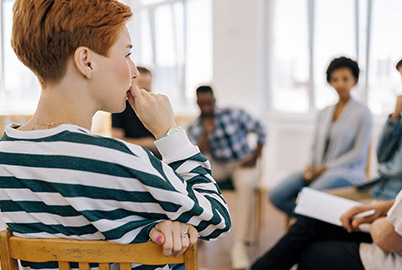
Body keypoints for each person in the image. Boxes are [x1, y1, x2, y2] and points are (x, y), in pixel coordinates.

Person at [0, 1, 231, 270]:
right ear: (87, 62)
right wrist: (169, 133)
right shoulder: (120, 159)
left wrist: (149, 228)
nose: (134, 72)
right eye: (127, 54)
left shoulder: (7, 154)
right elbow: (216, 219)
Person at [251, 15, 402, 270]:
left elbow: (392, 232)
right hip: (401, 212)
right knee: (310, 220)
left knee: (312, 245)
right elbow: (386, 160)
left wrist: (377, 218)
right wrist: (394, 117)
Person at [328, 51, 402, 202]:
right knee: (317, 203)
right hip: (379, 188)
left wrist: (382, 170)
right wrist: (395, 116)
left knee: (317, 213)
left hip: (394, 197)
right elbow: (381, 156)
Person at [269, 57, 373, 217]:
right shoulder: (324, 112)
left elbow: (359, 152)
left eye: (345, 79)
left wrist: (326, 168)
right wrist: (310, 167)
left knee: (308, 198)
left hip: (347, 173)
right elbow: (315, 145)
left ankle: (307, 225)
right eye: (335, 79)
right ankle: (310, 224)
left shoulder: (363, 112)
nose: (340, 84)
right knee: (276, 195)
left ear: (355, 80)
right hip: (318, 169)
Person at [188, 85, 267, 269]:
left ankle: (239, 246)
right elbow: (195, 151)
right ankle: (199, 231)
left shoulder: (234, 114)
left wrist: (255, 156)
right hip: (221, 164)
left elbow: (262, 129)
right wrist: (207, 132)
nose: (206, 108)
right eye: (202, 104)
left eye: (209, 103)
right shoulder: (195, 125)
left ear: (215, 101)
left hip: (244, 162)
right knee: (193, 177)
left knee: (246, 185)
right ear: (197, 104)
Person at [111, 66, 161, 158]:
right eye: (142, 83)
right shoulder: (120, 108)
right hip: (131, 155)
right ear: (131, 83)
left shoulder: (155, 107)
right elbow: (116, 140)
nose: (145, 87)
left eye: (148, 83)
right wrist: (147, 143)